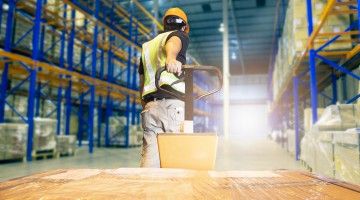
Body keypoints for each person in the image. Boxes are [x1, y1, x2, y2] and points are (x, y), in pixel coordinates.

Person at [138, 7, 190, 167]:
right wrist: (171, 58)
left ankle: (147, 191)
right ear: (184, 27)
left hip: (150, 107)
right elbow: (174, 42)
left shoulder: (148, 46)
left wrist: (144, 103)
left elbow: (142, 78)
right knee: (176, 161)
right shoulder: (179, 35)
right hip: (172, 106)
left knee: (150, 161)